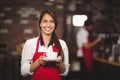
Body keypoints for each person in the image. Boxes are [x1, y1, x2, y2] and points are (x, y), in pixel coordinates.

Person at [20, 9, 70, 80]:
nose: (48, 25)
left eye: (52, 22)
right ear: (40, 24)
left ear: (55, 24)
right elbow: (23, 71)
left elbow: (65, 73)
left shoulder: (62, 44)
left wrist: (60, 63)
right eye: (45, 21)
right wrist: (38, 62)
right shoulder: (30, 43)